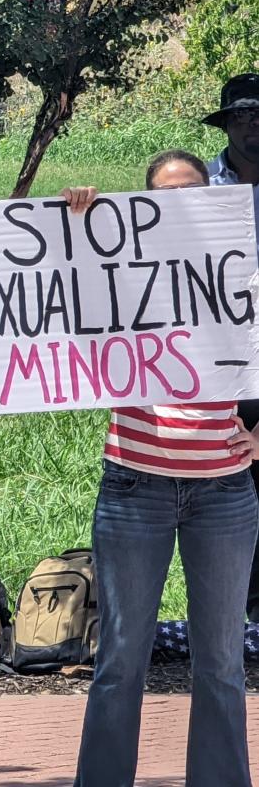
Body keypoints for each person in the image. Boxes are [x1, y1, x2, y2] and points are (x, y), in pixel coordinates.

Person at [65, 150, 259, 786]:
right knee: (120, 659)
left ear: (214, 197)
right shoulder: (119, 271)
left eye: (193, 193)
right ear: (144, 205)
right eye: (166, 196)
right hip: (134, 487)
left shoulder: (240, 270)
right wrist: (79, 226)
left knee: (222, 664)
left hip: (225, 492)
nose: (181, 205)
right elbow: (65, 307)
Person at [202, 74, 259, 620]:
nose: (252, 126)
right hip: (216, 359)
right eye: (241, 117)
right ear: (227, 124)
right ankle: (237, 616)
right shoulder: (197, 185)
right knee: (226, 483)